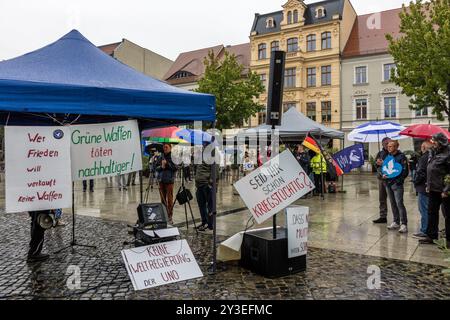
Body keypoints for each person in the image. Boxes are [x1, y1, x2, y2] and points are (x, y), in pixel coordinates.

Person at [419, 133, 450, 247]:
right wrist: (428, 184)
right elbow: (431, 170)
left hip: (444, 191)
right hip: (433, 189)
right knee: (432, 213)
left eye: (435, 141)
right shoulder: (434, 152)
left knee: (448, 215)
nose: (433, 143)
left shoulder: (448, 153)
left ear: (441, 142)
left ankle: (449, 241)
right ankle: (431, 236)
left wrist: (446, 190)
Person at [383, 140, 409, 233]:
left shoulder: (402, 157)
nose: (388, 148)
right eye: (388, 146)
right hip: (388, 184)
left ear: (396, 147)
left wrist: (398, 181)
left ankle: (404, 224)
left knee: (399, 204)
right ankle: (396, 221)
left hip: (397, 184)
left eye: (391, 146)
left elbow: (405, 172)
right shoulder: (388, 156)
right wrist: (384, 175)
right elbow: (385, 169)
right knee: (393, 204)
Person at [195, 143, 220, 232]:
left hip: (207, 185)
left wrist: (211, 183)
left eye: (205, 143)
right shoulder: (202, 153)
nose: (203, 144)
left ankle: (210, 225)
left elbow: (215, 170)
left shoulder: (213, 153)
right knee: (201, 205)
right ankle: (204, 222)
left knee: (210, 206)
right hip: (199, 185)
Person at [413, 141, 433, 239]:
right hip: (429, 186)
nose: (421, 148)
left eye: (421, 146)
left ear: (424, 147)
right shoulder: (432, 156)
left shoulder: (424, 157)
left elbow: (420, 172)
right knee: (427, 209)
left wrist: (415, 181)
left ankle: (425, 230)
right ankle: (427, 229)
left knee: (424, 209)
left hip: (423, 187)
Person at [155, 143, 178, 224]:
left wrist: (167, 164)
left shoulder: (173, 156)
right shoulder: (161, 156)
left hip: (169, 181)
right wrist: (161, 167)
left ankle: (169, 216)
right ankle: (163, 215)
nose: (165, 148)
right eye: (164, 147)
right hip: (161, 181)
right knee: (162, 200)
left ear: (170, 147)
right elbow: (156, 167)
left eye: (166, 147)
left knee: (170, 200)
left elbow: (175, 167)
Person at [373, 137, 392, 224]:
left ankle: (397, 219)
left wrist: (383, 163)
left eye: (388, 143)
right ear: (382, 144)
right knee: (382, 199)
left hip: (391, 179)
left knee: (393, 199)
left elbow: (394, 165)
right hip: (381, 179)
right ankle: (383, 216)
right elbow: (375, 166)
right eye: (385, 144)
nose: (387, 145)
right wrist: (377, 163)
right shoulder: (380, 153)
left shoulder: (393, 153)